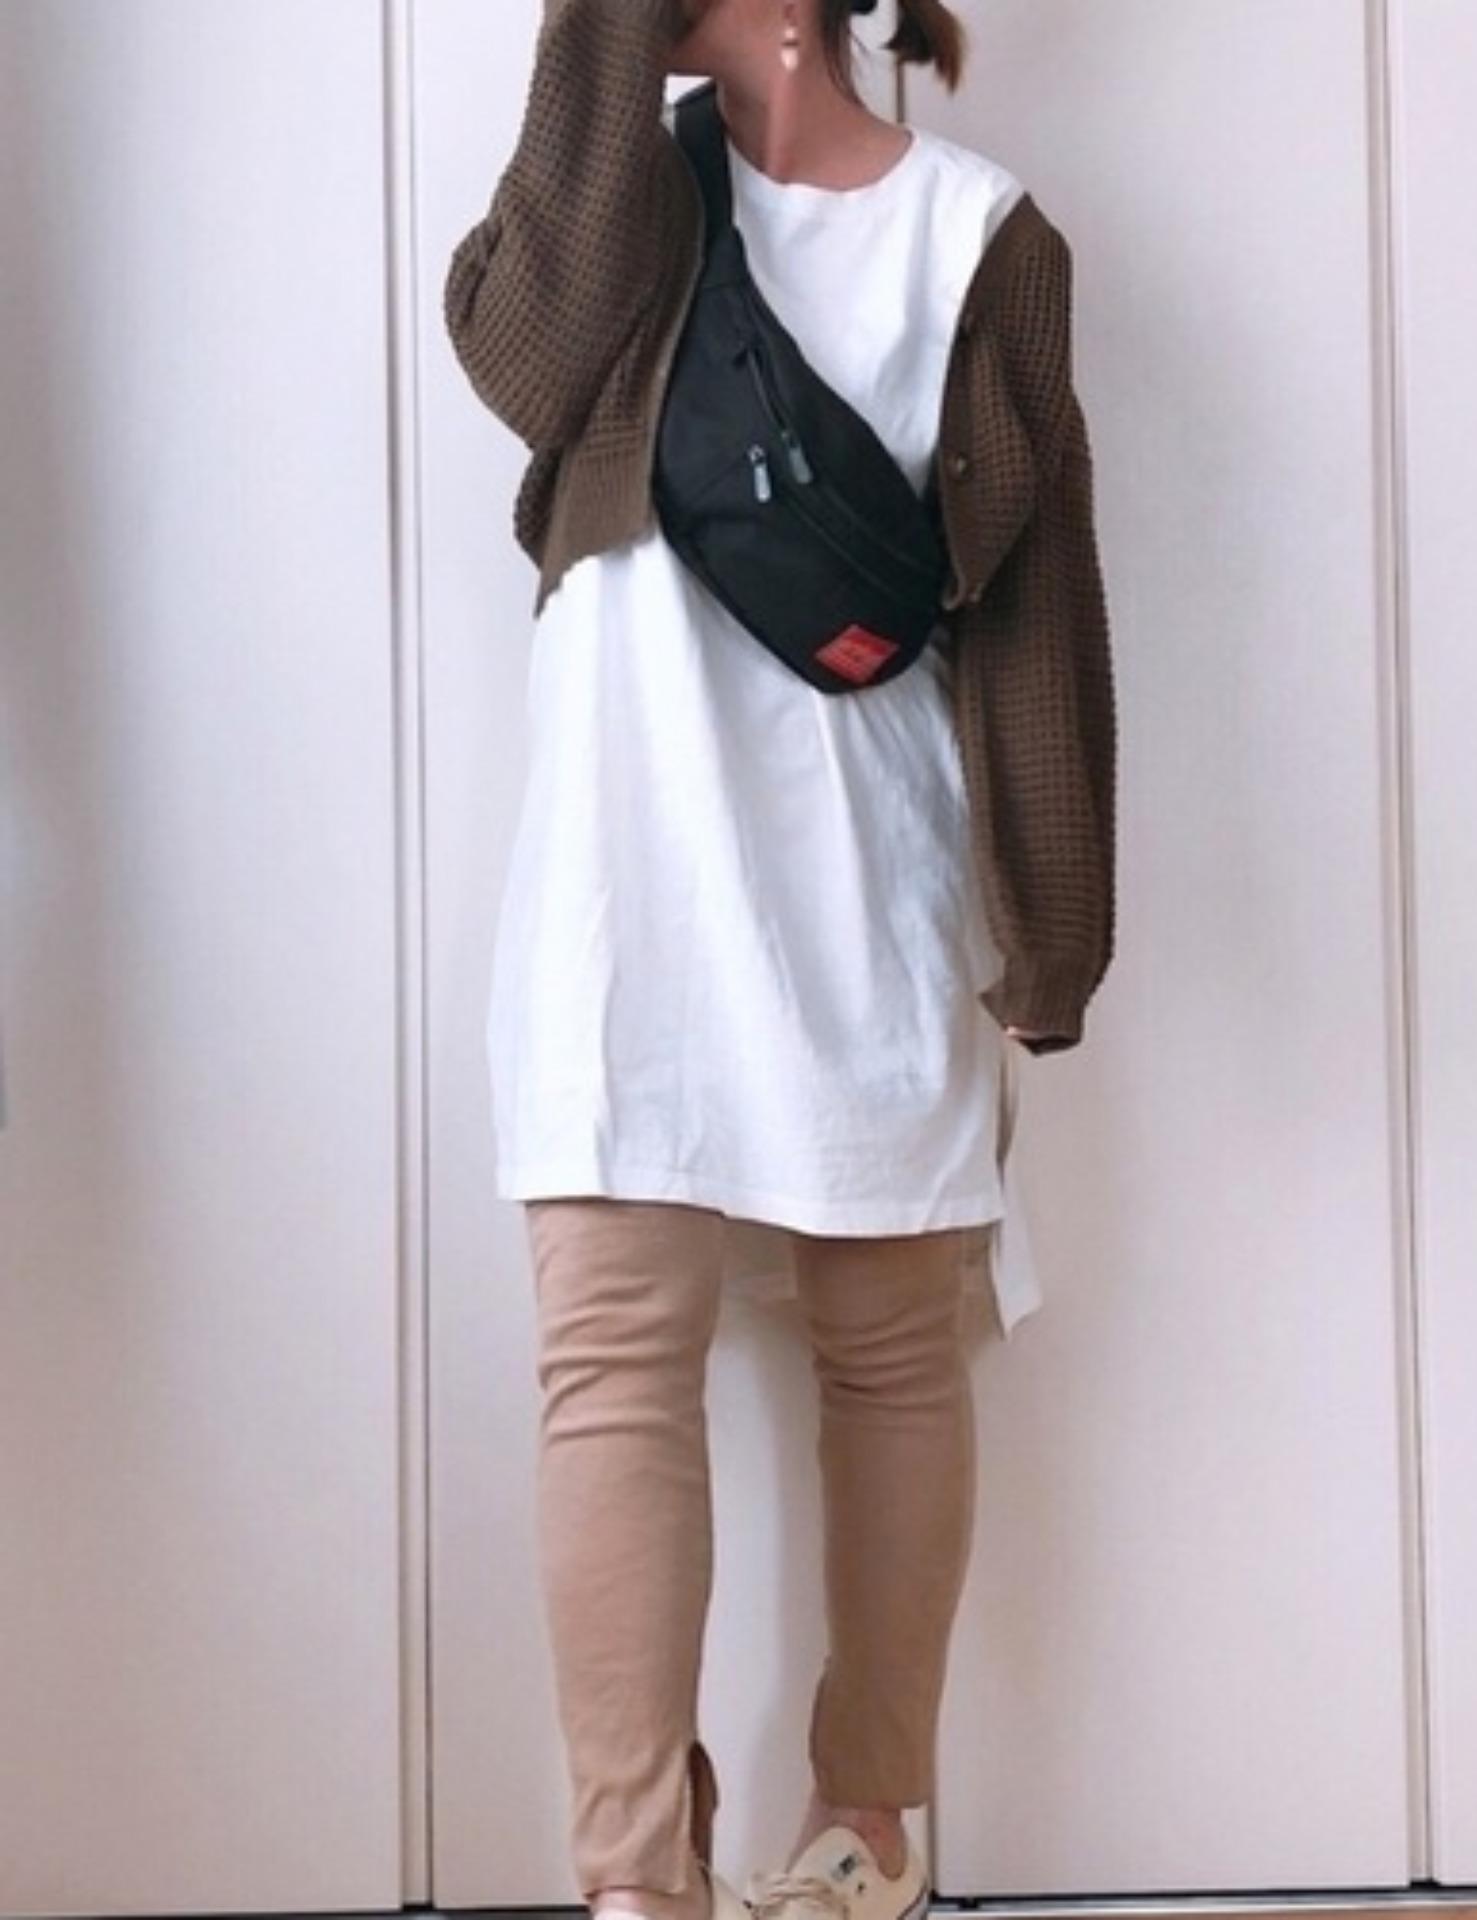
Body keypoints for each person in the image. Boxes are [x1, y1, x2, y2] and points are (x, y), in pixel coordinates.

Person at [442, 0, 1116, 1917]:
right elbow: (517, 355)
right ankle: (635, 1885)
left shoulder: (981, 238)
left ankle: (864, 1837)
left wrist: (1052, 935)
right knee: (608, 1360)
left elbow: (1039, 610)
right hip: (620, 888)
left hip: (861, 886)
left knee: (892, 1352)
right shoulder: (624, 213)